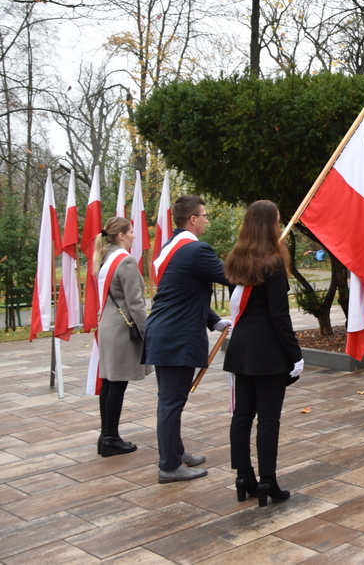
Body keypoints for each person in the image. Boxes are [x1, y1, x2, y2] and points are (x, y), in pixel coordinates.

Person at [145, 195, 230, 483]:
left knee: (173, 399)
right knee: (171, 401)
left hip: (166, 333)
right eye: (204, 215)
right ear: (192, 219)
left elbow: (184, 293)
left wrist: (215, 321)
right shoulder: (196, 250)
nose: (207, 219)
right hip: (175, 337)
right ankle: (169, 466)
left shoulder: (170, 247)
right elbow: (232, 276)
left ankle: (176, 452)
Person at [224, 201, 304, 507]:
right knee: (268, 417)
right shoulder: (272, 263)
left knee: (243, 414)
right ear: (270, 226)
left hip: (242, 347)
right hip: (268, 351)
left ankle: (244, 476)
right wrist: (295, 355)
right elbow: (279, 317)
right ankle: (268, 481)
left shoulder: (237, 257)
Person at [94, 217, 148, 457]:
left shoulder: (106, 258)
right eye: (131, 232)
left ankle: (106, 435)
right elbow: (135, 303)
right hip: (121, 330)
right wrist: (148, 332)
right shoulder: (125, 261)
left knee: (109, 382)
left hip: (108, 326)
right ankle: (110, 438)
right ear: (122, 236)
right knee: (116, 384)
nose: (134, 236)